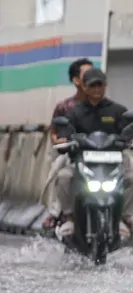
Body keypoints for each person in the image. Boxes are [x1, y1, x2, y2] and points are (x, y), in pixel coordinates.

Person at [53, 68, 133, 229]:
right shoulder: (75, 112)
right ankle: (68, 217)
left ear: (105, 86)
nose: (96, 89)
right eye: (92, 86)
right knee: (63, 177)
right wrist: (64, 140)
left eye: (99, 85)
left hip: (115, 163)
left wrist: (130, 140)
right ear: (84, 88)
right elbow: (65, 132)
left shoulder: (118, 110)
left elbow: (127, 132)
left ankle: (125, 216)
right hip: (82, 163)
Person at [44, 58, 95, 224]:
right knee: (59, 172)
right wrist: (60, 140)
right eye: (87, 74)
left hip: (102, 155)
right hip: (74, 156)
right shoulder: (65, 107)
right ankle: (60, 213)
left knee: (132, 174)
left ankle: (126, 217)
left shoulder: (105, 106)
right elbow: (54, 132)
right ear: (76, 80)